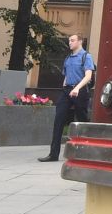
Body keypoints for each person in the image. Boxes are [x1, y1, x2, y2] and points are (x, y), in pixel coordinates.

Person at [38, 33, 96, 163]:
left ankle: (86, 152)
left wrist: (77, 88)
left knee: (82, 121)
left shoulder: (86, 57)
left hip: (80, 91)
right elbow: (66, 75)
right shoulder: (68, 58)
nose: (69, 42)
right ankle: (53, 154)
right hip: (67, 91)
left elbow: (88, 76)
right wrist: (65, 86)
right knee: (58, 120)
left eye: (72, 40)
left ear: (80, 42)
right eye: (69, 40)